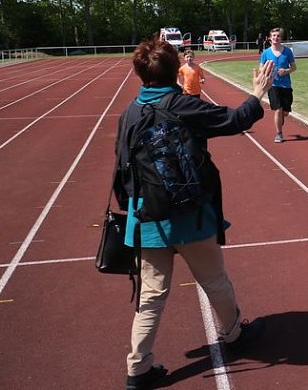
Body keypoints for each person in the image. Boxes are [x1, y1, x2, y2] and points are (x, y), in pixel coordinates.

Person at [116, 38, 276, 390]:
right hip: (189, 215)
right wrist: (258, 94)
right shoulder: (182, 106)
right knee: (214, 280)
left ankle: (138, 368)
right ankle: (233, 334)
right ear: (176, 70)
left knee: (151, 295)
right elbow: (234, 120)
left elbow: (121, 169)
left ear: (140, 73)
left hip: (147, 217)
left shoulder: (128, 113)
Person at [259, 27, 296, 143]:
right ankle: (279, 134)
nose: (276, 38)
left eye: (278, 36)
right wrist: (266, 72)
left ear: (281, 38)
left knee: (285, 112)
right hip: (273, 85)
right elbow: (261, 68)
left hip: (286, 85)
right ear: (270, 38)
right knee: (278, 110)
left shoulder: (288, 52)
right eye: (274, 36)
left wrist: (286, 71)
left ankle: (281, 119)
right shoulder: (266, 53)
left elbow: (294, 67)